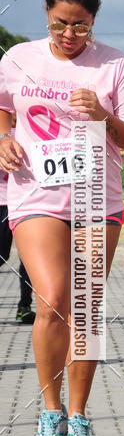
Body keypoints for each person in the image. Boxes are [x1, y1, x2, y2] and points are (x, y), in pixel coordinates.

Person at [0, 0, 124, 436]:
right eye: (60, 23)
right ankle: (50, 411)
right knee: (52, 299)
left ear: (94, 20)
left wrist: (104, 117)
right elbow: (3, 107)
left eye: (81, 25)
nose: (69, 34)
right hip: (35, 194)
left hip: (96, 201)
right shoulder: (18, 59)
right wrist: (3, 137)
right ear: (46, 12)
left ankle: (79, 417)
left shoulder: (116, 66)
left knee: (84, 307)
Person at [0, 124, 36, 323]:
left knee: (29, 259)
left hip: (27, 203)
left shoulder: (31, 128)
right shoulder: (3, 134)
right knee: (2, 255)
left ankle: (25, 306)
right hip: (2, 204)